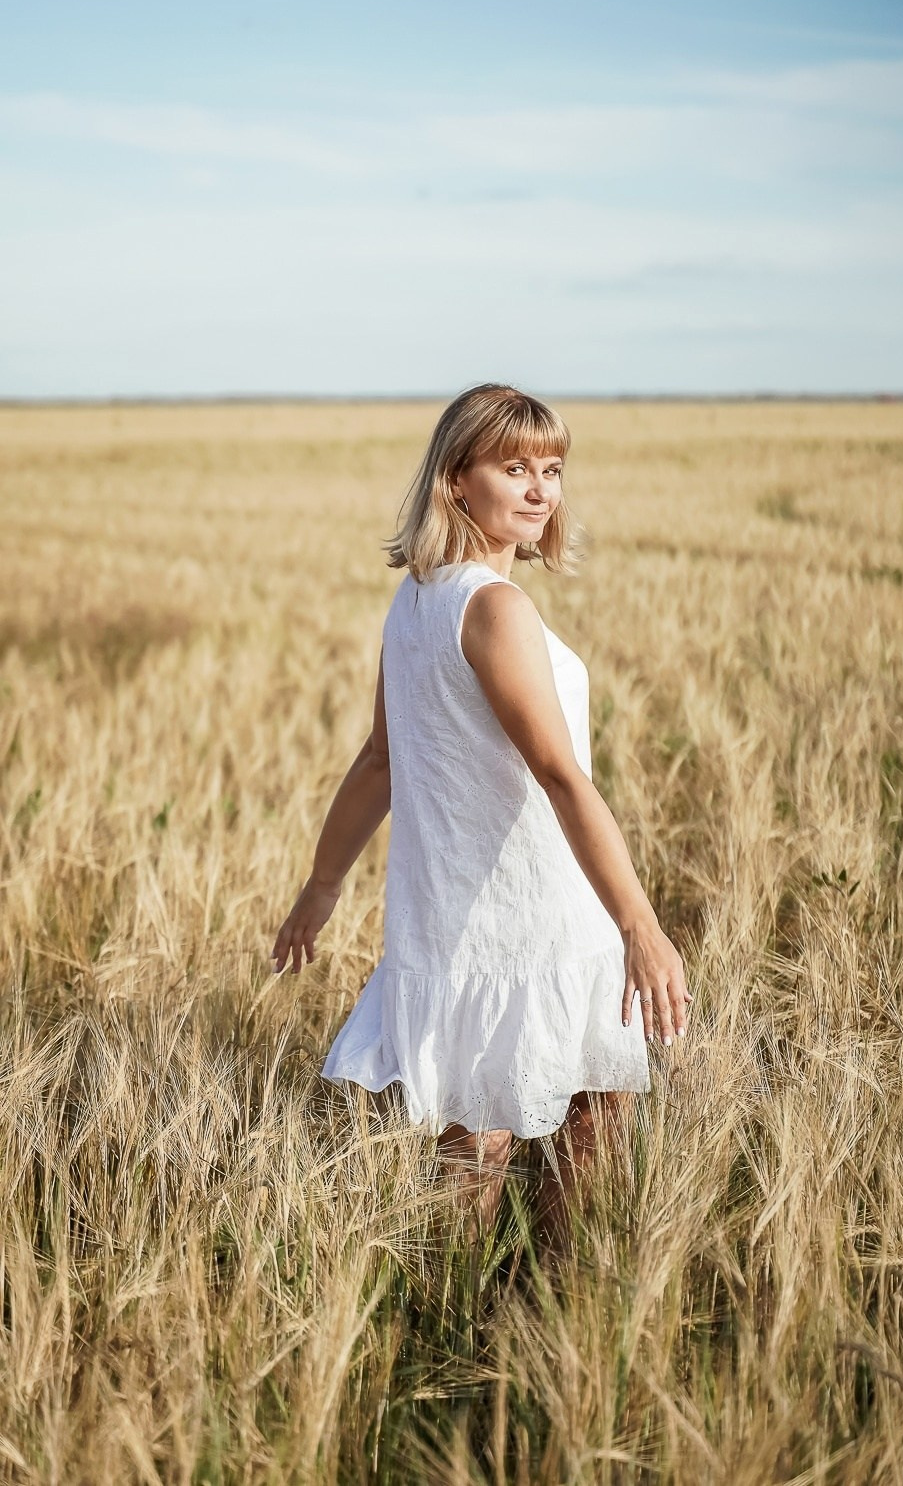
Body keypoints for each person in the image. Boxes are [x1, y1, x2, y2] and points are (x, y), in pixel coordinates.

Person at [270, 383, 690, 1249]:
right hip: (534, 910)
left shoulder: (417, 600)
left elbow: (378, 760)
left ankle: (453, 1319)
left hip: (457, 912)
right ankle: (567, 1314)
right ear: (457, 480)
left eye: (553, 468)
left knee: (476, 1136)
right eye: (515, 467)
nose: (542, 489)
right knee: (588, 1120)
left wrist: (323, 885)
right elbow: (560, 775)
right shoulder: (494, 608)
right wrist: (640, 925)